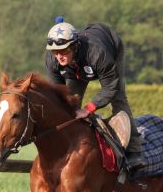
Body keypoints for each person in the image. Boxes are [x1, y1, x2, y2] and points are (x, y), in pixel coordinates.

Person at [45, 16, 146, 169]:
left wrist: (89, 108)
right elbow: (59, 95)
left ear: (74, 46)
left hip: (110, 46)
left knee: (118, 98)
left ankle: (135, 151)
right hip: (77, 68)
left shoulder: (98, 54)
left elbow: (110, 88)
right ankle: (68, 147)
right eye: (55, 52)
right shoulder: (53, 60)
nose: (59, 56)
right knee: (70, 103)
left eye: (63, 50)